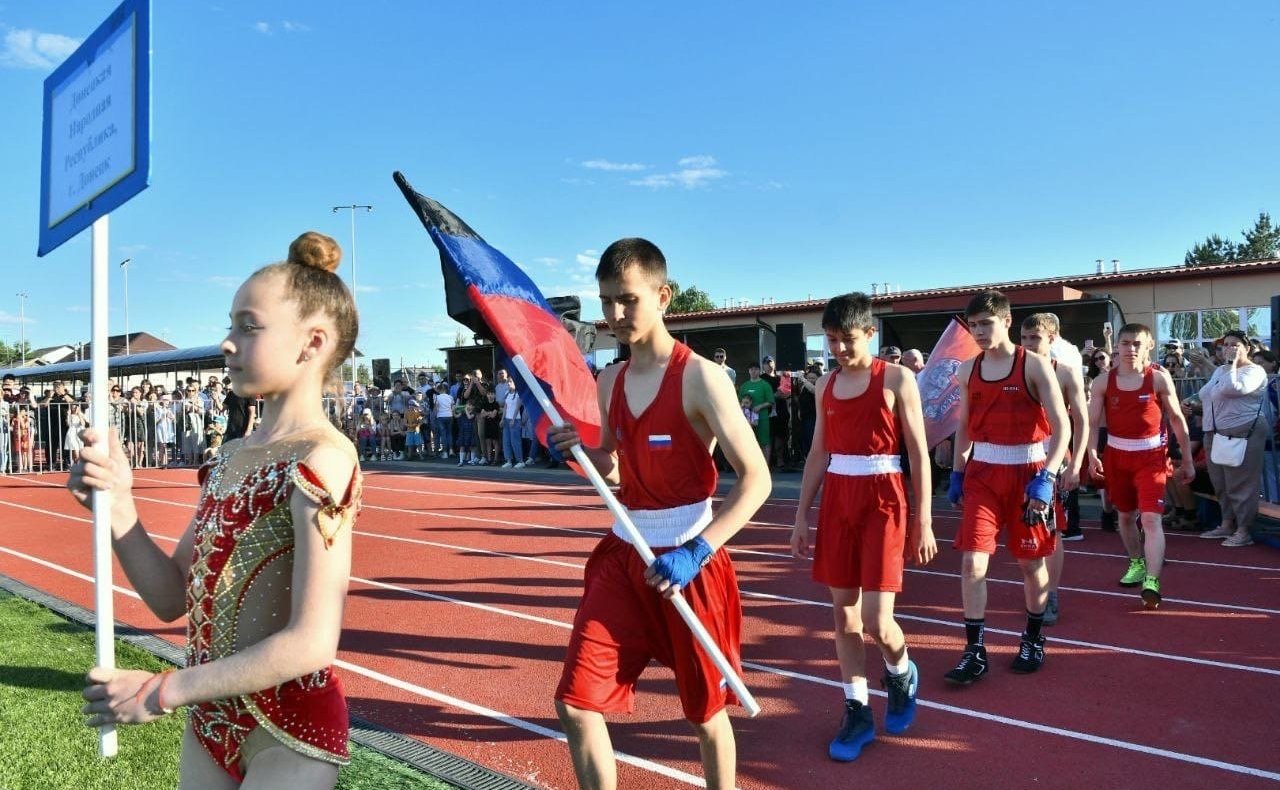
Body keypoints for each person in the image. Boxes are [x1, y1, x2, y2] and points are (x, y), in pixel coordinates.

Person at [68, 230, 361, 788]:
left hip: (289, 730)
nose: (227, 342)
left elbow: (311, 642)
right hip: (210, 721)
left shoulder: (324, 459)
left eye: (248, 326)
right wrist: (119, 506)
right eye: (230, 325)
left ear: (312, 343)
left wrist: (161, 691)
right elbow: (169, 597)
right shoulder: (229, 458)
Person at [548, 237, 771, 790]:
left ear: (663, 296)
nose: (616, 315)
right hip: (624, 555)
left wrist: (699, 550)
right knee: (576, 702)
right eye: (606, 303)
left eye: (628, 300)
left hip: (691, 561)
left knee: (705, 715)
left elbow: (758, 480)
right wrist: (578, 449)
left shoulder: (701, 377)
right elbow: (618, 471)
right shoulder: (610, 380)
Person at [790, 292, 936, 761]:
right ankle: (856, 709)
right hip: (839, 498)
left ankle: (900, 670)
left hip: (883, 499)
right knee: (844, 615)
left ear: (870, 334)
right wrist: (801, 516)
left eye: (847, 340)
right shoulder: (824, 386)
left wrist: (924, 519)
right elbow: (817, 453)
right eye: (831, 340)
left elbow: (918, 453)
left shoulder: (896, 378)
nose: (839, 349)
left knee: (876, 618)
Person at [945, 290, 1069, 683]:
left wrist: (1047, 477)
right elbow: (964, 425)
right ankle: (974, 650)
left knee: (1031, 564)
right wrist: (957, 470)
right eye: (974, 325)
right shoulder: (967, 370)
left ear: (1007, 321)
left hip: (1028, 471)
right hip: (983, 471)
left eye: (987, 323)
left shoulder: (1033, 365)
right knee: (972, 562)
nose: (980, 331)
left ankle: (1033, 638)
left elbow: (1062, 426)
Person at [1086, 324, 1194, 608]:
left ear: (1148, 346)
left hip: (1151, 458)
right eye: (1125, 343)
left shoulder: (1158, 378)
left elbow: (1177, 420)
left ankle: (1153, 580)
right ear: (1117, 347)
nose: (1130, 349)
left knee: (1150, 518)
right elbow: (1091, 423)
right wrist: (1090, 454)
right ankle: (1136, 562)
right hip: (1116, 457)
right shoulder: (1102, 382)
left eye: (1136, 343)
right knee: (1125, 517)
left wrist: (1188, 459)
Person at [1019, 314, 1089, 627]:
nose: (1028, 344)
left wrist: (1074, 464)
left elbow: (1082, 422)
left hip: (1054, 458)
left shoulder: (1066, 373)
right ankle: (1036, 587)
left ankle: (1051, 593)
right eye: (1024, 337)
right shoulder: (1012, 369)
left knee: (1052, 529)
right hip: (1019, 458)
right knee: (1025, 530)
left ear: (1052, 337)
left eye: (1035, 337)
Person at [1198, 330, 1269, 547]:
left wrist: (1231, 364)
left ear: (1247, 348)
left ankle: (1244, 530)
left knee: (1242, 484)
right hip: (1218, 433)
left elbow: (1233, 388)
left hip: (1245, 431)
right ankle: (1227, 523)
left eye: (1235, 344)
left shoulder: (1255, 371)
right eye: (1226, 344)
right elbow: (1205, 393)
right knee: (1221, 483)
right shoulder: (1221, 370)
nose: (1229, 348)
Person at [738, 362, 774, 464]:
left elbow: (771, 401)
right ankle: (751, 465)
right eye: (751, 369)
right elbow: (739, 402)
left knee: (764, 442)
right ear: (749, 371)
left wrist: (760, 406)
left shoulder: (765, 385)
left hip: (762, 418)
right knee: (749, 442)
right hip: (746, 420)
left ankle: (766, 465)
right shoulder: (744, 385)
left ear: (759, 370)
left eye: (756, 369)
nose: (753, 371)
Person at [501, 385, 526, 468]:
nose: (508, 384)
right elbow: (505, 407)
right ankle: (508, 461)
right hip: (507, 419)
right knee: (506, 441)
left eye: (510, 382)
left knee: (515, 441)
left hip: (515, 420)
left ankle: (520, 461)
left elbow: (517, 407)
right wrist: (502, 419)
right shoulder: (507, 393)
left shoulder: (518, 393)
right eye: (508, 382)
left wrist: (513, 419)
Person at [433, 383, 455, 458]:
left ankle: (445, 452)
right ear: (446, 389)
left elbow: (436, 408)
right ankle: (451, 450)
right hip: (449, 416)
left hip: (440, 416)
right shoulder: (450, 397)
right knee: (449, 434)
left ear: (439, 389)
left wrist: (435, 416)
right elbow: (453, 407)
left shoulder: (437, 397)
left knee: (443, 434)